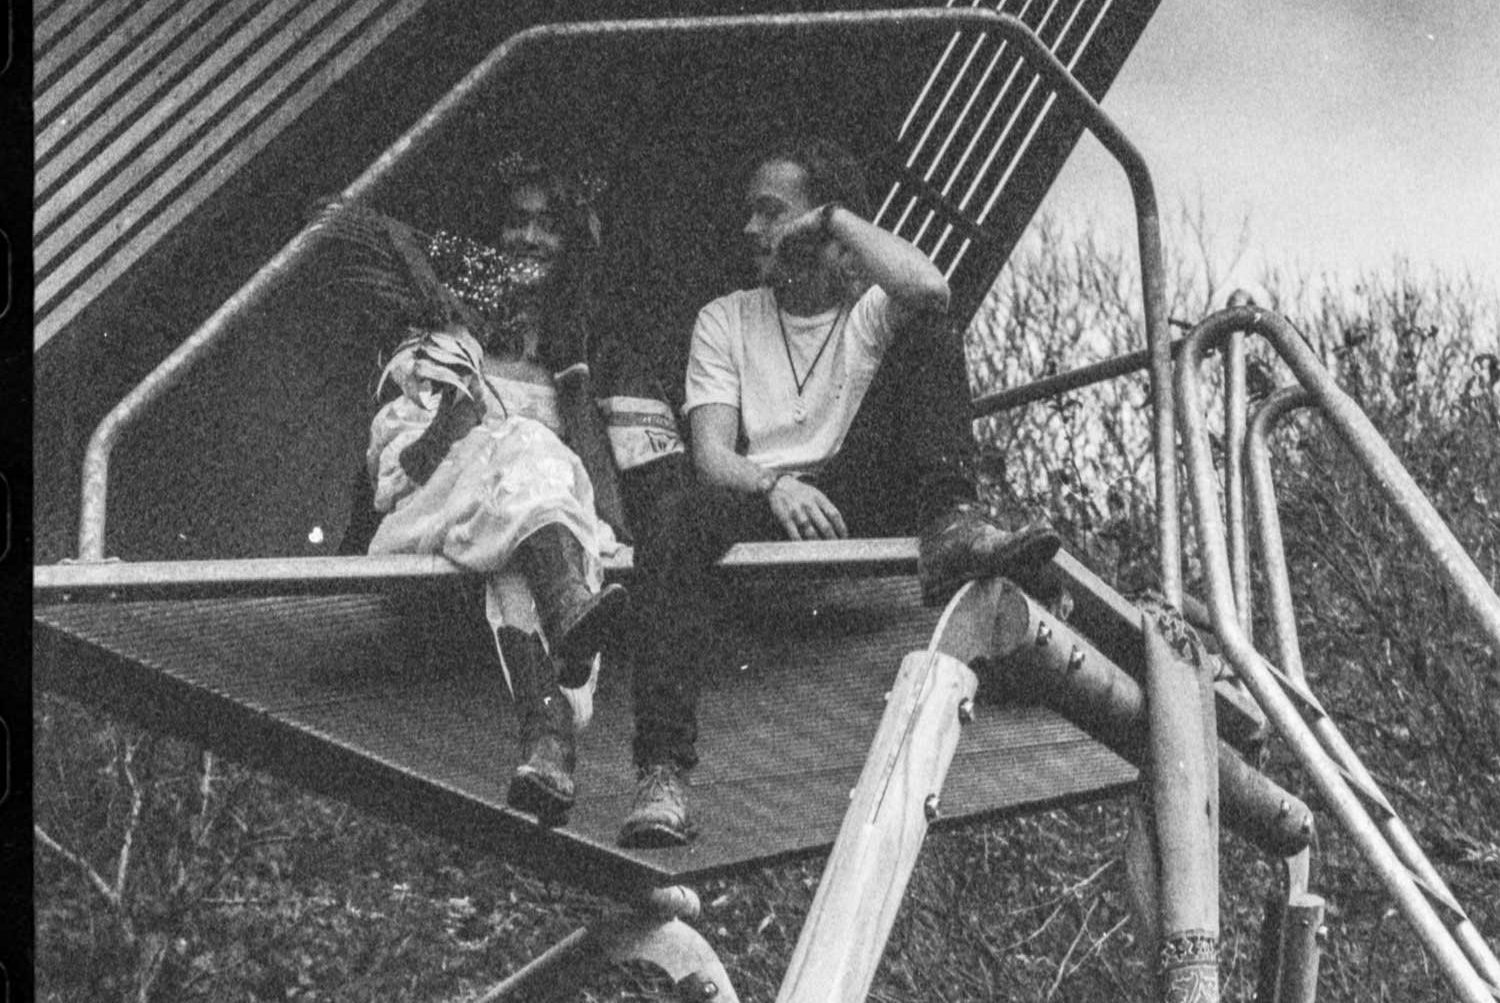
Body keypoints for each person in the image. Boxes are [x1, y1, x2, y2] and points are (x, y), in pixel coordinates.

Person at [620, 137, 1059, 848]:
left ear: (820, 226)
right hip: (763, 501)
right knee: (674, 516)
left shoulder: (869, 311)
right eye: (750, 214)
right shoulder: (727, 317)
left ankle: (952, 520)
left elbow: (930, 289)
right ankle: (662, 772)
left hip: (858, 492)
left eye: (771, 214)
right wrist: (774, 486)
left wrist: (837, 223)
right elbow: (710, 455)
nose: (751, 231)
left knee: (930, 329)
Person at [326, 154, 685, 822]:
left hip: (532, 541)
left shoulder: (595, 356)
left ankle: (547, 742)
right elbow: (394, 480)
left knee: (522, 539)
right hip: (428, 530)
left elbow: (623, 512)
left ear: (573, 245)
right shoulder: (430, 346)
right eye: (513, 223)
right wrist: (463, 389)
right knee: (522, 450)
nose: (526, 238)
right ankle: (567, 620)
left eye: (548, 225)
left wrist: (572, 374)